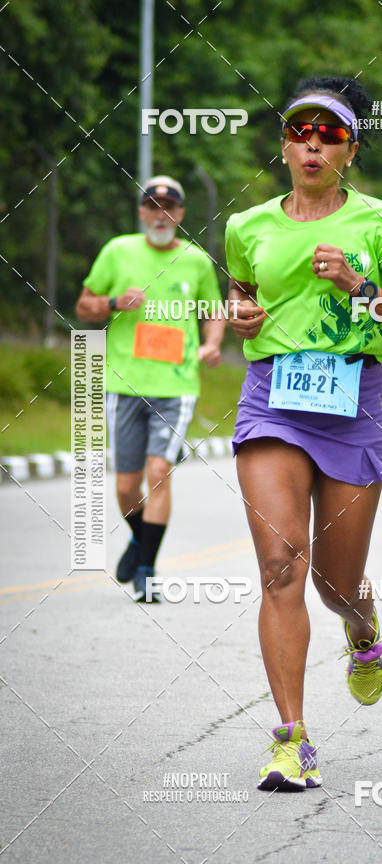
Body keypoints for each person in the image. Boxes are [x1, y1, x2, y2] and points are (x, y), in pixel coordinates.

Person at [225, 76, 382, 791]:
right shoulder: (248, 226)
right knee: (281, 564)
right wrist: (239, 314)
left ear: (351, 150)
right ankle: (292, 741)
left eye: (330, 134)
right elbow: (242, 292)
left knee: (334, 585)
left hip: (353, 400)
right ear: (284, 145)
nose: (313, 144)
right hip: (273, 400)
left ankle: (361, 627)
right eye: (300, 131)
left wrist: (359, 287)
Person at [76, 175, 224, 601]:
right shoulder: (118, 251)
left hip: (176, 386)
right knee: (127, 486)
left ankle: (147, 569)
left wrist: (212, 344)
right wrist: (112, 303)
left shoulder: (196, 261)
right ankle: (141, 538)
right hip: (123, 384)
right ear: (141, 212)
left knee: (159, 472)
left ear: (180, 214)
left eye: (169, 208)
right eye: (152, 207)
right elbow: (84, 306)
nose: (160, 215)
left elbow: (214, 312)